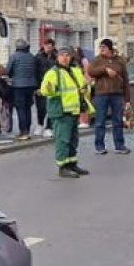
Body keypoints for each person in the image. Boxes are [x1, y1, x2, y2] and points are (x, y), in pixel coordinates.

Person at [41, 47, 93, 178]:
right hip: (61, 111)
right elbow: (45, 90)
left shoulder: (75, 71)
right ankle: (62, 167)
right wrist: (49, 88)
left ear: (71, 57)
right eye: (62, 55)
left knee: (73, 139)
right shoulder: (53, 73)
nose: (65, 58)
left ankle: (72, 163)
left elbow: (83, 87)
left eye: (67, 55)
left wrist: (85, 89)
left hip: (73, 110)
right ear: (58, 57)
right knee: (62, 140)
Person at [88, 38, 132, 155]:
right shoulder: (96, 60)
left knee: (117, 121)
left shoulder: (119, 61)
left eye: (104, 47)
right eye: (101, 47)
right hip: (101, 94)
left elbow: (126, 80)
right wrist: (104, 69)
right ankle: (99, 146)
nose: (102, 49)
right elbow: (91, 71)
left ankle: (119, 145)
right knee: (100, 121)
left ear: (110, 48)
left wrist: (127, 99)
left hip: (117, 94)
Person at [6, 38, 37, 141]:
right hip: (31, 85)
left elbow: (8, 71)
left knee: (21, 109)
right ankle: (27, 130)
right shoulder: (32, 57)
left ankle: (22, 131)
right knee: (28, 108)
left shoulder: (14, 56)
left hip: (18, 86)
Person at [34, 38, 57, 138]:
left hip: (52, 86)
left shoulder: (56, 57)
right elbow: (34, 72)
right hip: (40, 85)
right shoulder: (38, 57)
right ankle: (40, 124)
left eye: (50, 46)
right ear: (43, 46)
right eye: (47, 46)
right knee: (41, 107)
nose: (48, 48)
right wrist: (36, 87)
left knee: (51, 108)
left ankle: (49, 127)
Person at [72, 46, 92, 128]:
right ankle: (80, 120)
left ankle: (85, 120)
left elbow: (87, 72)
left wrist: (86, 83)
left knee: (85, 102)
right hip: (77, 84)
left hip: (84, 83)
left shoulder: (84, 60)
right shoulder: (73, 61)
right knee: (79, 102)